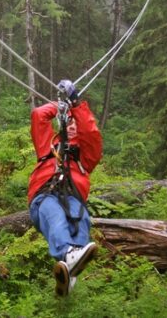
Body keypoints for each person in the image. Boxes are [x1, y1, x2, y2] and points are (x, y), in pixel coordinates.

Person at [28, 79, 103, 296]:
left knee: (82, 222)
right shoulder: (48, 147)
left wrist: (76, 104)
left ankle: (70, 273)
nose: (71, 127)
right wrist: (59, 106)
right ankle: (67, 254)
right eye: (68, 123)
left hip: (73, 198)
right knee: (55, 214)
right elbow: (38, 116)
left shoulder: (87, 156)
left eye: (74, 124)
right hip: (45, 196)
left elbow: (91, 133)